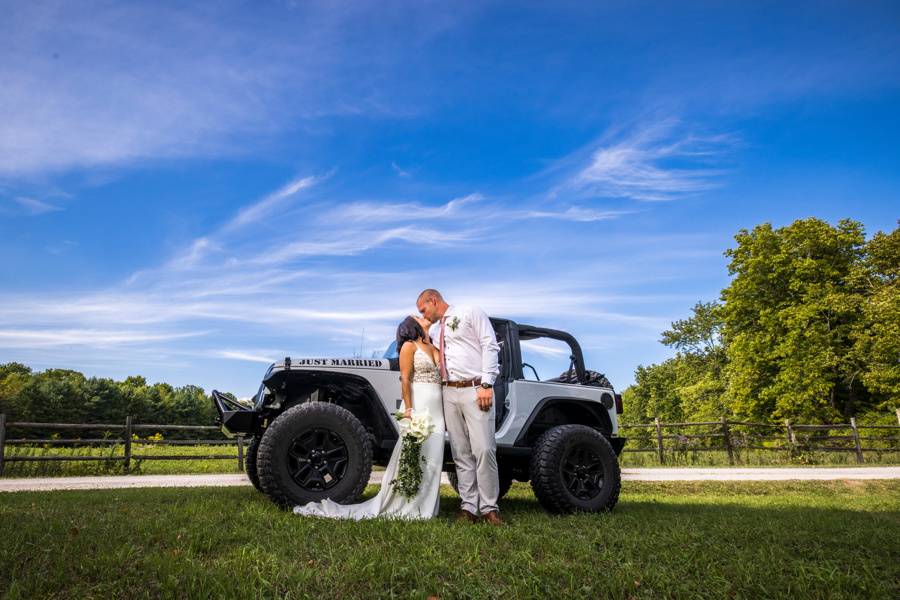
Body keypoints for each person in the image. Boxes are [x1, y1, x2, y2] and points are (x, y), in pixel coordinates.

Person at [293, 315, 444, 520]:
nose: (423, 316)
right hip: (420, 404)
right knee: (417, 453)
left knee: (434, 455)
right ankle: (410, 503)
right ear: (412, 326)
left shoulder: (433, 347)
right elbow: (405, 380)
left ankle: (428, 504)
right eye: (418, 316)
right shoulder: (409, 346)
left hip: (438, 408)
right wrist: (409, 410)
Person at [416, 288, 502, 525]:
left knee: (484, 448)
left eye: (423, 310)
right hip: (448, 391)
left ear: (433, 301)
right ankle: (468, 508)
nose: (424, 315)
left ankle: (489, 508)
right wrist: (424, 332)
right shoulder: (433, 329)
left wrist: (486, 383)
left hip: (475, 389)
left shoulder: (470, 311)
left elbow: (490, 345)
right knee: (460, 452)